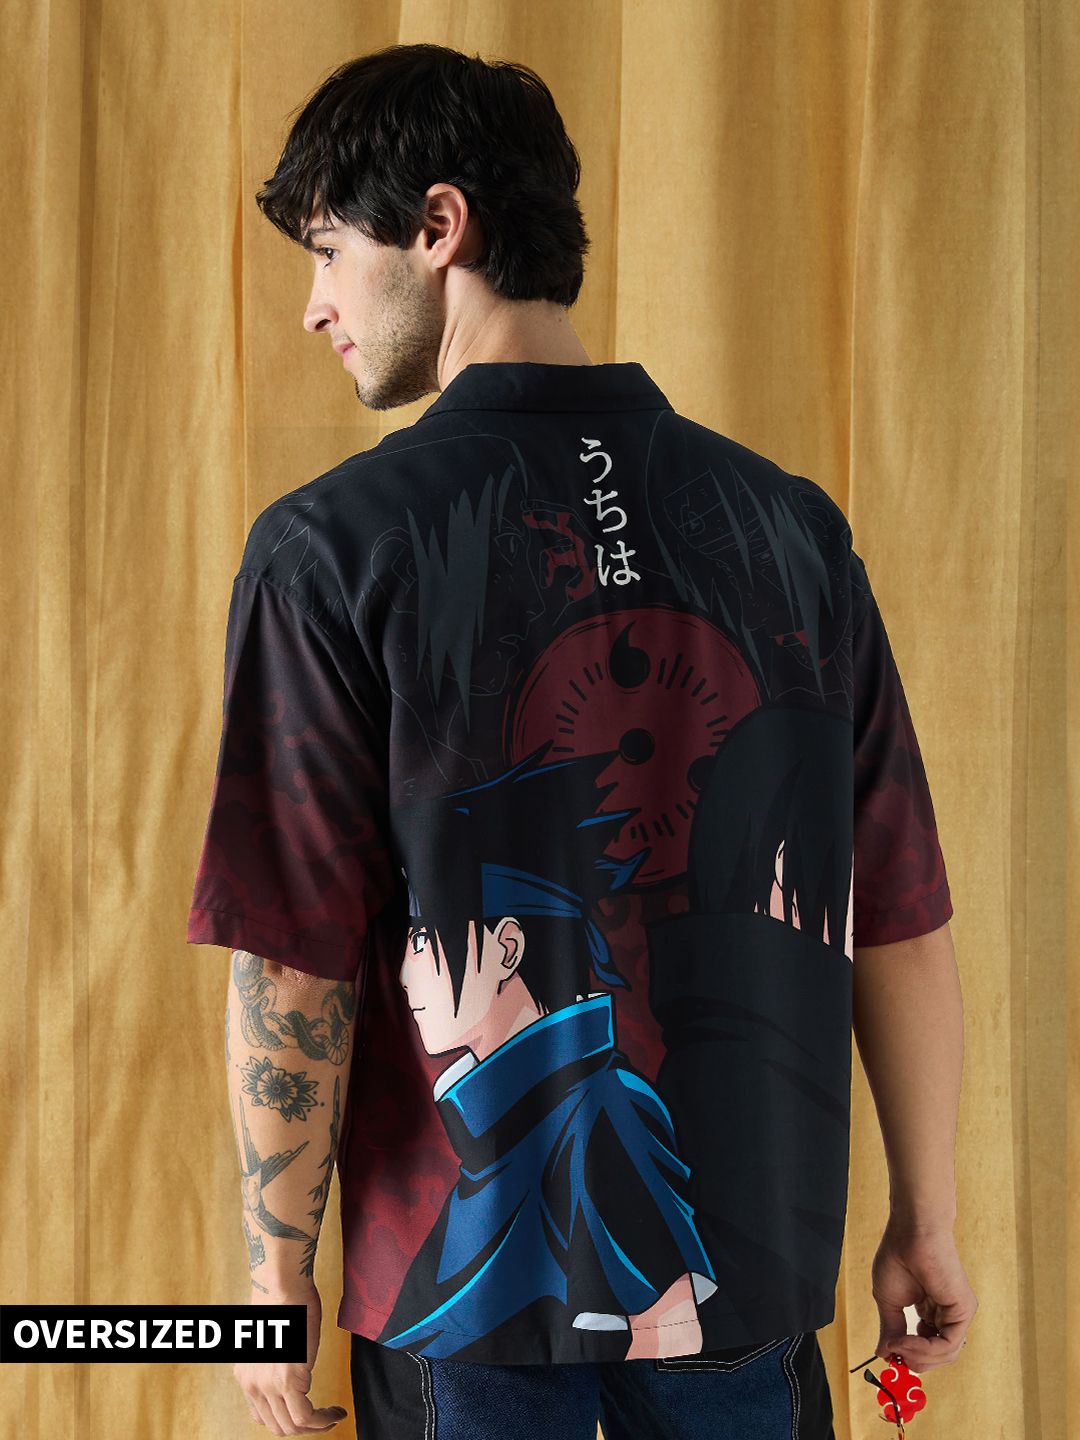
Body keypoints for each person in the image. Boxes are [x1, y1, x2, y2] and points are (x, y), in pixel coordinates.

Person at [185, 40, 977, 1440]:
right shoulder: (791, 530)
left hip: (457, 1309)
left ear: (440, 227)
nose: (314, 307)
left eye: (328, 251)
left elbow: (293, 954)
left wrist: (272, 1273)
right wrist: (928, 1216)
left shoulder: (331, 551)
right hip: (743, 1281)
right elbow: (895, 907)